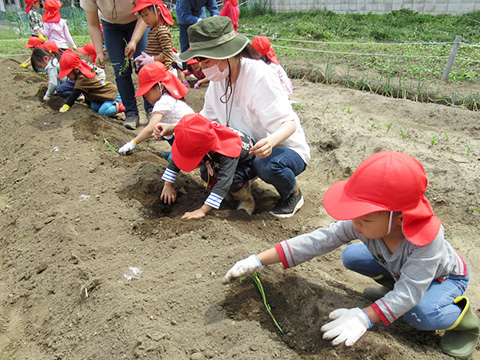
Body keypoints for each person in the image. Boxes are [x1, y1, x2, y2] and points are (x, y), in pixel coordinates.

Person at [223, 151, 479, 360]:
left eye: (365, 217)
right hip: (402, 269)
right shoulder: (367, 223)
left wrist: (363, 317)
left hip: (443, 278)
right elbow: (320, 240)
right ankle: (390, 286)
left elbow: (411, 291)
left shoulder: (427, 240)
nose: (355, 222)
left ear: (399, 216)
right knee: (352, 256)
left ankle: (463, 322)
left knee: (418, 312)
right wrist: (258, 259)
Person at [177, 16, 310, 218]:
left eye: (206, 61)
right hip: (246, 149)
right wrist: (174, 128)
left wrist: (271, 141)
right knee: (210, 167)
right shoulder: (218, 80)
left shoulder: (260, 76)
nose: (202, 69)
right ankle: (243, 195)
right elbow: (206, 119)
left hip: (281, 148)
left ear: (225, 55)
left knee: (267, 165)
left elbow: (289, 123)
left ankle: (292, 194)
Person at [154, 113, 256, 218]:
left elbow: (225, 181)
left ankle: (246, 200)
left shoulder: (228, 149)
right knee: (205, 173)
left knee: (234, 179)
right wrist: (168, 185)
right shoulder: (199, 134)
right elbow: (178, 156)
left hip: (247, 164)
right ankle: (223, 195)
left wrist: (202, 210)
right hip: (217, 158)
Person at [80, 0, 152, 130]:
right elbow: (92, 24)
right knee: (120, 69)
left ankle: (151, 109)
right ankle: (131, 113)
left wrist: (134, 41)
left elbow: (145, 14)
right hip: (111, 26)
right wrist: (99, 52)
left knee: (144, 66)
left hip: (138, 19)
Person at [118, 62, 193, 155]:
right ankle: (176, 152)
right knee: (161, 129)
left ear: (160, 86)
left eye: (147, 92)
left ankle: (179, 154)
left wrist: (132, 144)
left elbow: (150, 128)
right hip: (189, 136)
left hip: (191, 140)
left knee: (172, 159)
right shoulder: (170, 97)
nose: (145, 96)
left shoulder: (163, 102)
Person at [57, 50, 125, 117]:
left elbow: (75, 94)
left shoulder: (82, 78)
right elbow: (88, 90)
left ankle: (123, 106)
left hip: (112, 95)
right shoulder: (84, 72)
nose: (67, 76)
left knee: (102, 112)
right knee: (93, 107)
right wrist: (87, 103)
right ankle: (113, 109)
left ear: (76, 70)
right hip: (104, 97)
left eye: (68, 74)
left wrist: (66, 106)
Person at [131, 0, 176, 75]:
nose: (145, 19)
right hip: (157, 70)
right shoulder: (152, 30)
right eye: (142, 16)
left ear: (157, 11)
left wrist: (151, 59)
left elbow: (167, 55)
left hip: (165, 73)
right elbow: (155, 51)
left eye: (146, 15)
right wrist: (145, 58)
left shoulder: (162, 31)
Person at [21, 0, 46, 68]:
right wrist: (39, 34)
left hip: (38, 34)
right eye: (38, 3)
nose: (39, 5)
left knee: (38, 52)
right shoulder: (32, 13)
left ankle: (26, 63)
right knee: (38, 52)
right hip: (37, 35)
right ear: (33, 4)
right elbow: (35, 25)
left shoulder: (34, 12)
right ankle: (28, 64)